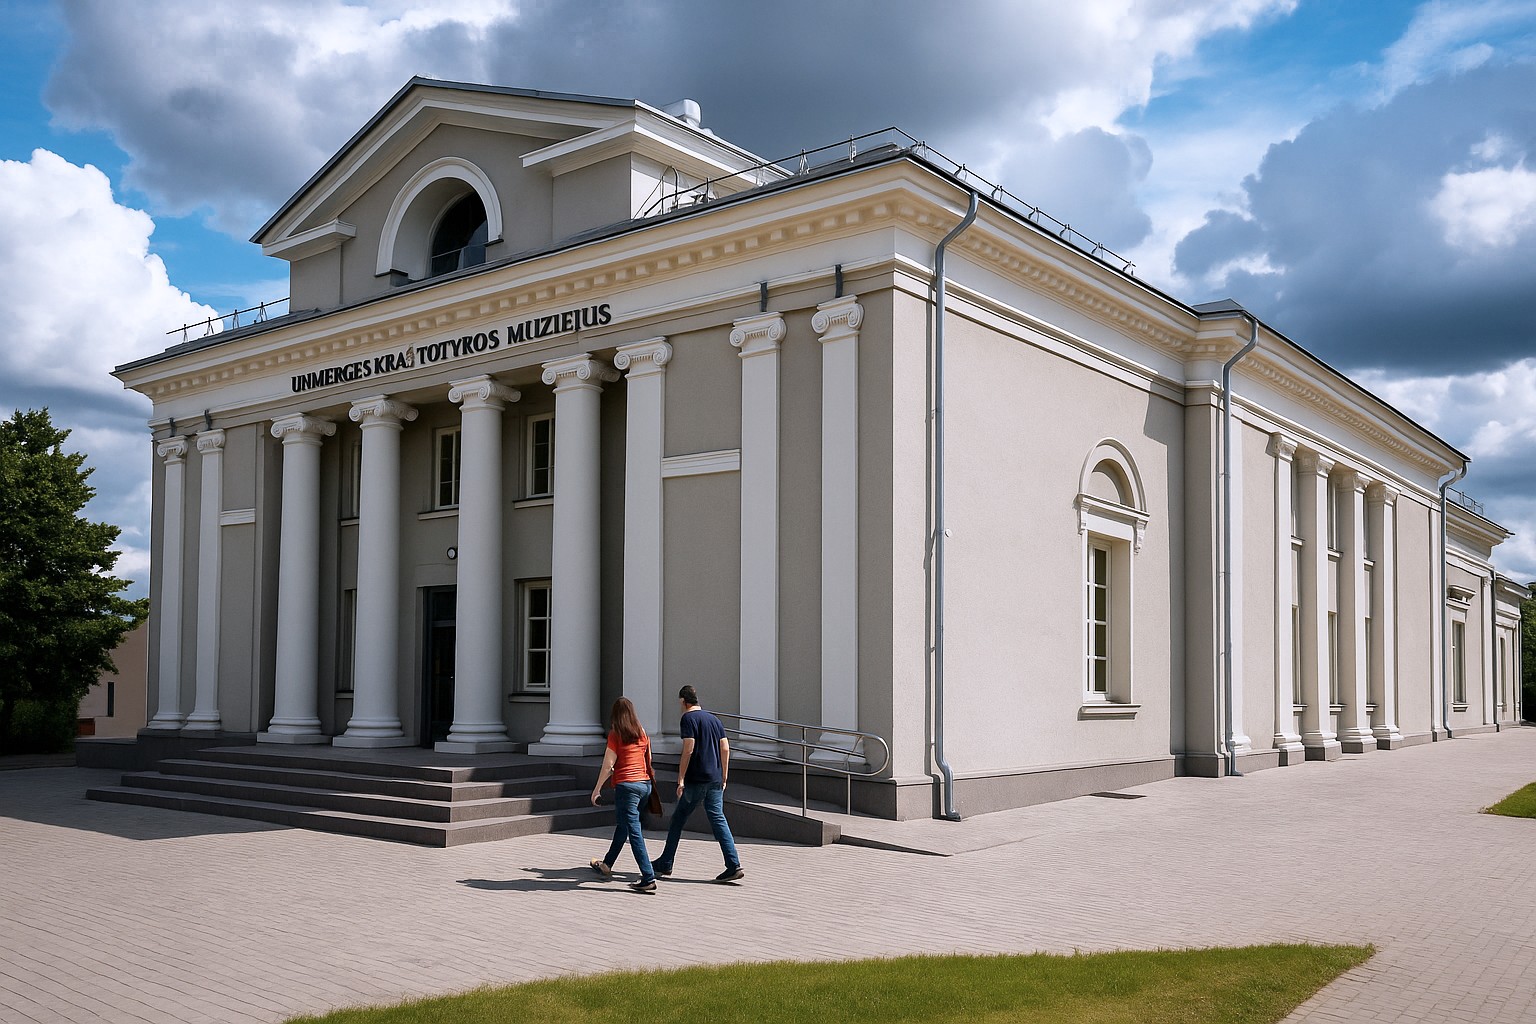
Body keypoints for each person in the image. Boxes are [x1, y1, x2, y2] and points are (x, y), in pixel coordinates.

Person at [651, 685, 744, 883]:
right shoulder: (714, 719)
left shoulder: (688, 719)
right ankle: (733, 864)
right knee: (718, 819)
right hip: (715, 779)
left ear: (683, 701)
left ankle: (666, 862)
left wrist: (681, 778)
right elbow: (725, 748)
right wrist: (724, 775)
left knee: (678, 819)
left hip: (696, 779)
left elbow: (689, 748)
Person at [588, 696, 658, 893]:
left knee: (634, 831)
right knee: (624, 825)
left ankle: (648, 877)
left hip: (627, 787)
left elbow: (608, 765)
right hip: (644, 785)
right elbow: (649, 759)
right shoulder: (642, 732)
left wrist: (597, 789)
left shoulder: (615, 734)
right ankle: (607, 864)